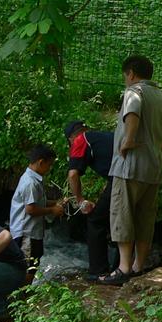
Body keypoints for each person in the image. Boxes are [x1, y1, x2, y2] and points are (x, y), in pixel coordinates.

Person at [99, 55, 162, 285]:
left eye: (125, 75)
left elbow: (132, 112)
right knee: (145, 218)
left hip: (129, 167)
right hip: (153, 168)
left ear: (130, 73)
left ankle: (123, 269)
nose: (125, 80)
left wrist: (128, 139)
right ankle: (138, 267)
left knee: (122, 214)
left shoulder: (134, 91)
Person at [64, 120, 116, 281]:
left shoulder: (80, 140)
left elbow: (73, 175)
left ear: (71, 139)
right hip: (141, 176)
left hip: (121, 179)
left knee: (95, 220)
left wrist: (80, 201)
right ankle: (124, 269)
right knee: (123, 219)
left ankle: (98, 272)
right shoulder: (104, 137)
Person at [9, 144, 64, 283]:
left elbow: (37, 202)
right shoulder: (30, 183)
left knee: (34, 262)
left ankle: (23, 292)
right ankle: (22, 294)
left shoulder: (32, 179)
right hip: (27, 232)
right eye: (49, 165)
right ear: (41, 162)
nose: (49, 168)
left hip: (32, 231)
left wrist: (56, 202)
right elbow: (31, 209)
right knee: (28, 265)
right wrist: (53, 210)